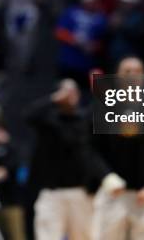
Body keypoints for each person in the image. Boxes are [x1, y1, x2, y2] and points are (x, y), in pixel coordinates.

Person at [91, 57, 144, 240]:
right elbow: (89, 149)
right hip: (112, 193)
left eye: (137, 71)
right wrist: (106, 176)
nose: (132, 75)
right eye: (127, 71)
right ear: (117, 76)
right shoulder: (103, 108)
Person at [26, 79, 96, 240]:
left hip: (81, 193)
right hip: (51, 194)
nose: (70, 95)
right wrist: (53, 99)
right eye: (66, 91)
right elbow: (28, 115)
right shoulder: (48, 121)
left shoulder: (85, 120)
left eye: (74, 91)